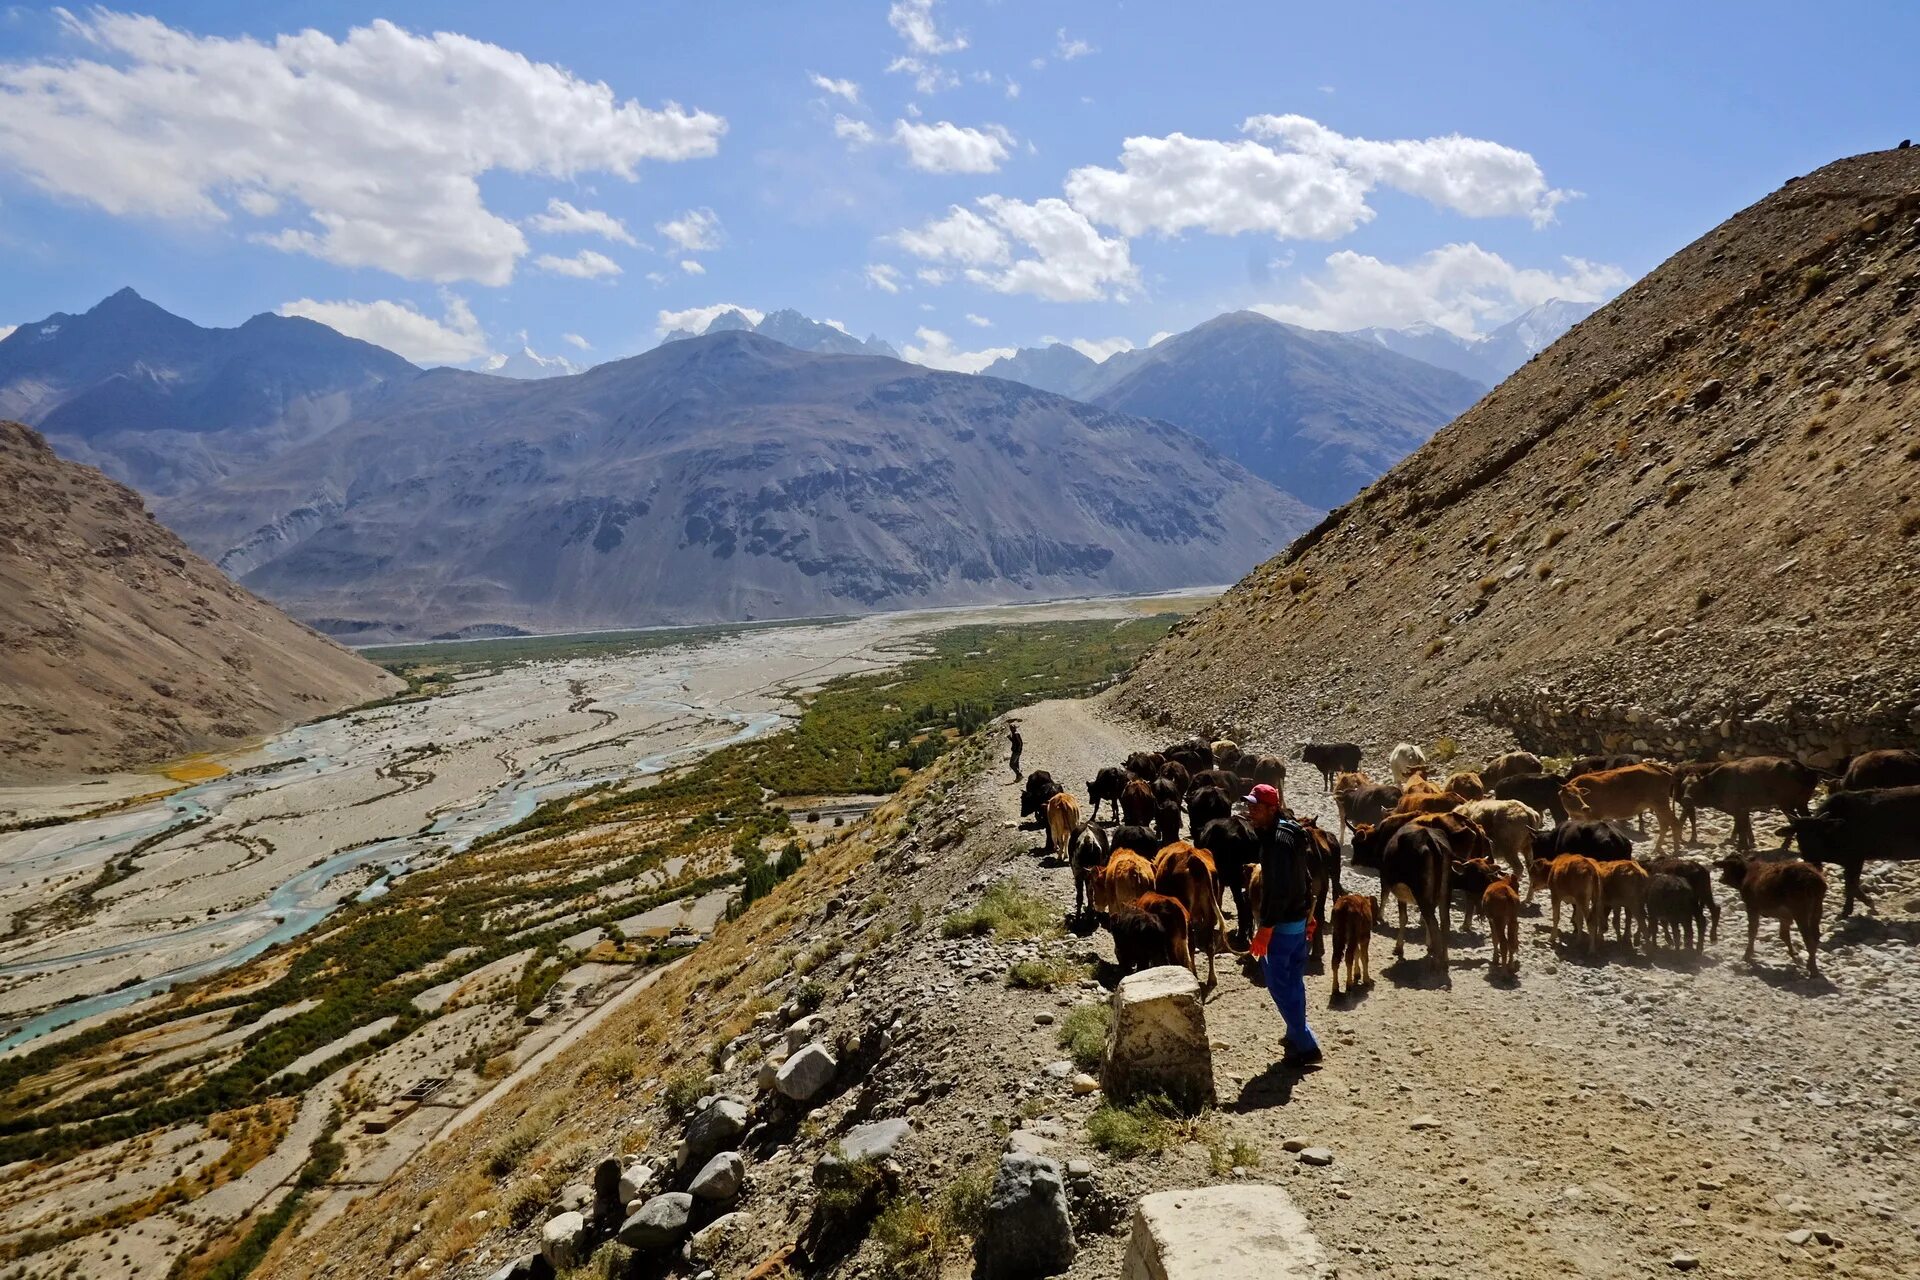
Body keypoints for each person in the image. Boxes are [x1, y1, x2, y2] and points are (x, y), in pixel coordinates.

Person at [1244, 783, 1322, 1066]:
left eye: (1256, 807)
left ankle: (1306, 1046)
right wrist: (1309, 915)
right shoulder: (1291, 831)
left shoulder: (1275, 844)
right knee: (1294, 980)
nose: (1250, 811)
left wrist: (1265, 930)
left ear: (1271, 808)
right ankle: (1294, 1032)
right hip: (1298, 922)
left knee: (1279, 984)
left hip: (1281, 927)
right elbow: (1305, 876)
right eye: (1249, 805)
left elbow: (1278, 891)